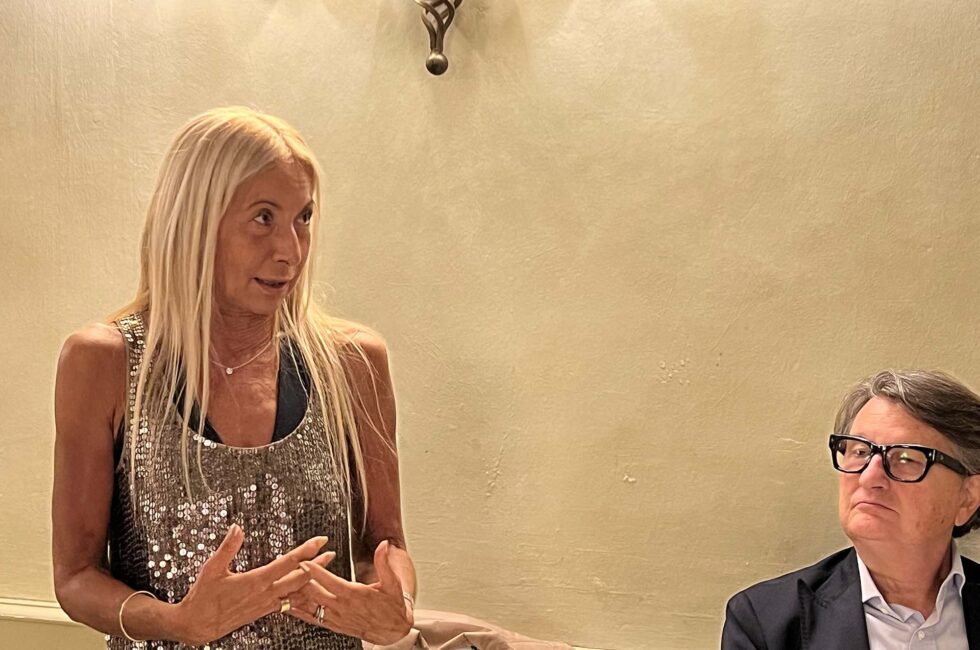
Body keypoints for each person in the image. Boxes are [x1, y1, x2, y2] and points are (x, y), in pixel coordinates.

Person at [52, 107, 416, 648]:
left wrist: (397, 605)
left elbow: (385, 546)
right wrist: (176, 622)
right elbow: (76, 577)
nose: (290, 251)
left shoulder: (352, 362)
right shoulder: (105, 362)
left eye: (303, 218)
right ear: (195, 222)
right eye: (263, 217)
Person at [722, 370, 980, 649]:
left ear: (967, 498)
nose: (869, 477)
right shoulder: (765, 624)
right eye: (860, 451)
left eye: (906, 457)